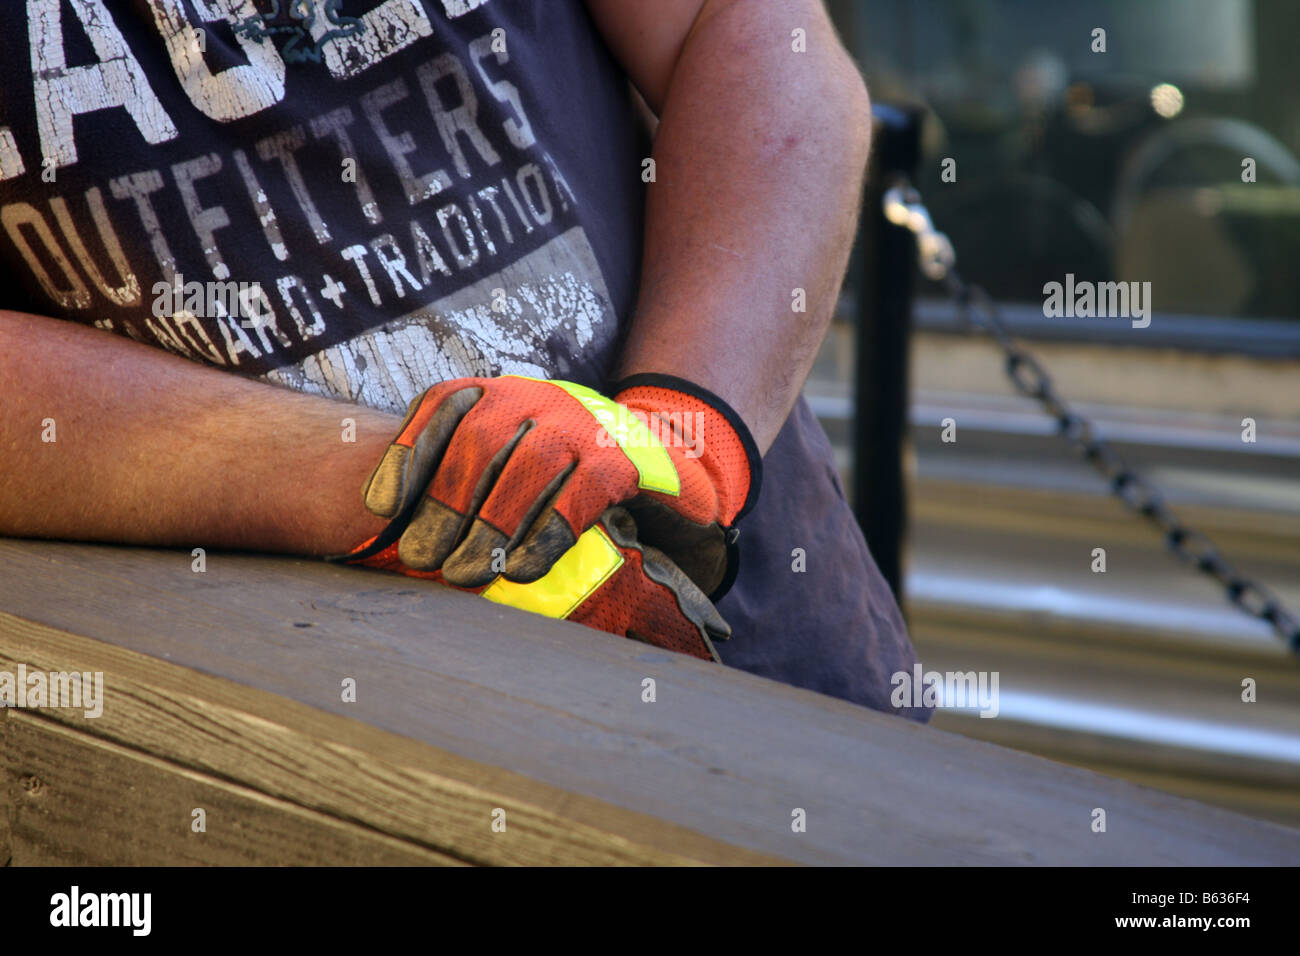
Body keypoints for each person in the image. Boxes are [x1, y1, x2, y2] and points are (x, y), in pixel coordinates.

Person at [0, 0, 924, 719]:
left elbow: (746, 30)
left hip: (771, 674)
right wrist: (413, 480)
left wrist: (690, 436)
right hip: (299, 747)